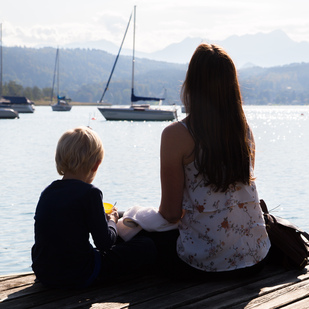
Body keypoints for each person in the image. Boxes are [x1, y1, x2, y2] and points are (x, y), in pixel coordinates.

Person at [158, 43, 271, 279]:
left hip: (204, 264)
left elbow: (170, 213)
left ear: (192, 84)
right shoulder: (244, 130)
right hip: (256, 257)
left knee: (139, 239)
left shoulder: (176, 135)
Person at [31, 126, 156, 289]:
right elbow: (105, 243)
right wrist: (111, 221)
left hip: (45, 274)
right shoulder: (91, 193)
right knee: (145, 246)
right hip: (79, 274)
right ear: (96, 164)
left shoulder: (47, 192)